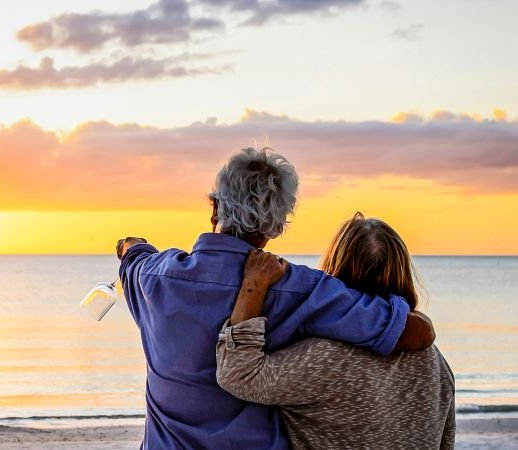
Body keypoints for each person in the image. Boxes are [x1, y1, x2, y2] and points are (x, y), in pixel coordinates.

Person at [117, 147, 435, 449]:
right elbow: (414, 333)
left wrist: (130, 244)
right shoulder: (302, 290)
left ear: (214, 208)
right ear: (278, 225)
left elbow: (132, 252)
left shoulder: (154, 276)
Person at [216, 213, 455, 449]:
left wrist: (254, 285)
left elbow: (239, 374)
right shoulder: (435, 362)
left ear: (335, 269)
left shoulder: (325, 357)